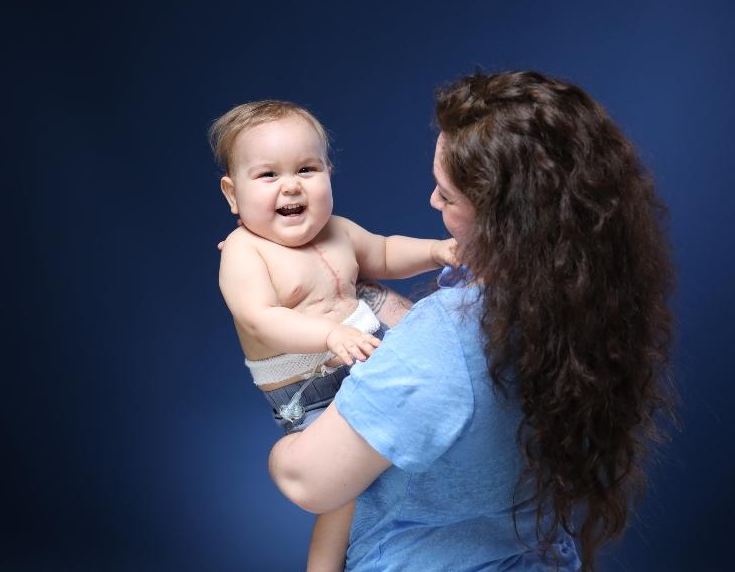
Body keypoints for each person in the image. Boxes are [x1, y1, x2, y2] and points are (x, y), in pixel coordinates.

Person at [268, 71, 676, 571]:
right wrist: (337, 283)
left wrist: (288, 442)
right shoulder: (581, 300)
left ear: (504, 220)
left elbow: (307, 481)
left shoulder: (447, 338)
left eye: (447, 196)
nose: (432, 201)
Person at [210, 100, 457, 571]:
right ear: (232, 194)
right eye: (268, 175)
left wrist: (435, 251)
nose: (291, 185)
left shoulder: (337, 231)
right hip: (312, 389)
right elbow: (260, 318)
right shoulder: (244, 252)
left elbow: (384, 252)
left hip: (365, 353)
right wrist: (328, 334)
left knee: (415, 446)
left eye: (307, 169)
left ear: (329, 172)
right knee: (344, 492)